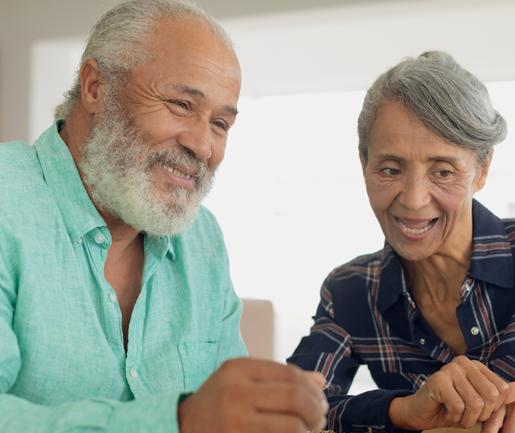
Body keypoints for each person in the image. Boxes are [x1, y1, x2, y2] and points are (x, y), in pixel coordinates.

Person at [0, 1, 328, 432]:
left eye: (221, 124)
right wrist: (180, 419)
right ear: (96, 87)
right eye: (180, 103)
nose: (203, 146)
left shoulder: (203, 238)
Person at [288, 51, 515, 433]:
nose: (413, 199)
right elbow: (298, 407)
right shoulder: (350, 290)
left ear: (483, 169)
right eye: (390, 169)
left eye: (443, 171)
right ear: (364, 163)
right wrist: (403, 409)